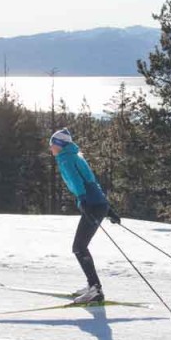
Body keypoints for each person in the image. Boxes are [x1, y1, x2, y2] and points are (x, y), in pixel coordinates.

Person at [49, 128, 120, 304]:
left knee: (79, 247)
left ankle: (95, 289)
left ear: (59, 145)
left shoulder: (65, 159)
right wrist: (108, 208)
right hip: (98, 204)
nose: (50, 148)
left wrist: (82, 200)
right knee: (81, 246)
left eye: (52, 144)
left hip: (92, 204)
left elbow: (76, 181)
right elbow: (92, 181)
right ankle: (92, 287)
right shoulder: (76, 156)